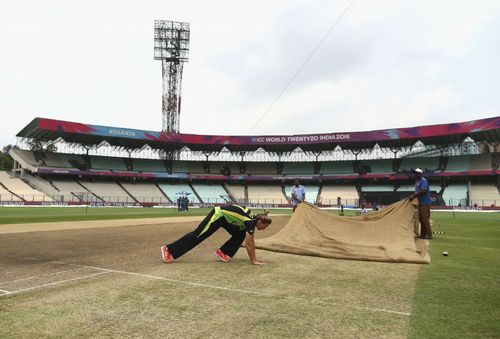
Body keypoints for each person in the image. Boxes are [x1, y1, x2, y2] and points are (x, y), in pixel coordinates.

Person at [160, 205, 272, 265]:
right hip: (218, 215)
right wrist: (254, 260)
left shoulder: (255, 217)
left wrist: (266, 213)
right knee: (198, 235)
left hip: (226, 219)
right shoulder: (250, 221)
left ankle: (223, 252)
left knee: (240, 233)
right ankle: (169, 249)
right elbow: (249, 244)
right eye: (264, 227)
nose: (264, 229)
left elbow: (262, 216)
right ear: (260, 222)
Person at [408, 168, 433, 239]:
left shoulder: (423, 180)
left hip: (425, 202)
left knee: (425, 218)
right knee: (421, 219)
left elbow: (424, 190)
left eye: (416, 173)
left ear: (420, 174)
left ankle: (429, 234)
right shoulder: (417, 181)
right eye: (415, 173)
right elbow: (417, 192)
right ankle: (423, 234)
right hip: (420, 202)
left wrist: (413, 196)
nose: (415, 175)